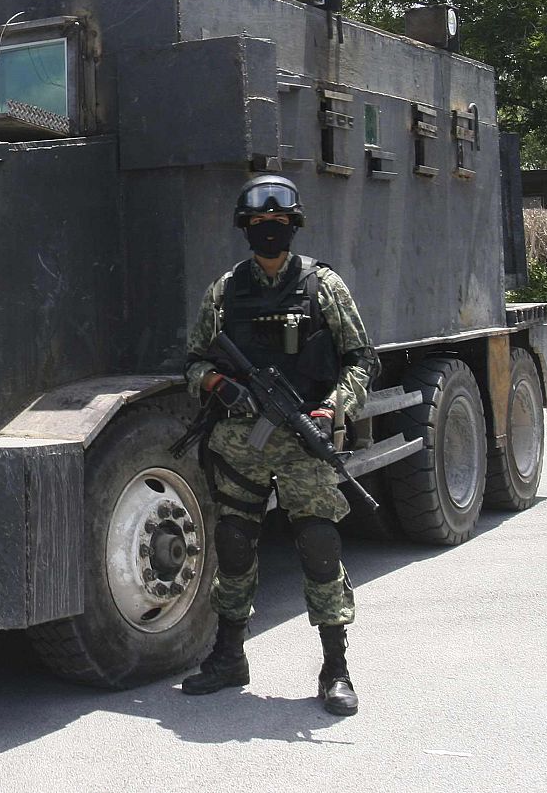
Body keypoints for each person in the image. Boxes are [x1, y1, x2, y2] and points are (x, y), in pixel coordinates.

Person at [179, 175, 377, 715]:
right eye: (260, 222)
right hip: (240, 443)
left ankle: (335, 667)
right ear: (246, 228)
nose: (270, 230)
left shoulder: (324, 288)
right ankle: (228, 657)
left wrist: (333, 407)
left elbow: (362, 359)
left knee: (318, 546)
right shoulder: (224, 291)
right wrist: (218, 384)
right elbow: (195, 359)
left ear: (294, 225)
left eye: (279, 222)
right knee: (236, 543)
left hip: (302, 439)